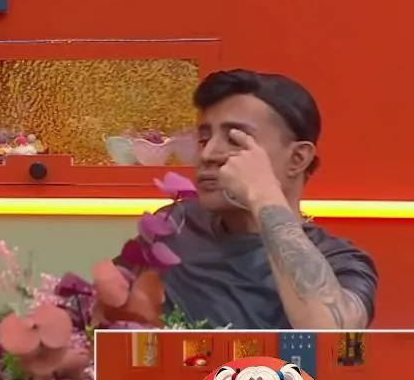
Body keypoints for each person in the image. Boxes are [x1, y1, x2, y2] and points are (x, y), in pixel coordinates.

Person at [158, 69, 378, 329]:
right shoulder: (177, 224)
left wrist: (262, 193)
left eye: (235, 140)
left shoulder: (340, 260)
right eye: (204, 140)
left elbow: (331, 337)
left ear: (298, 159)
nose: (207, 155)